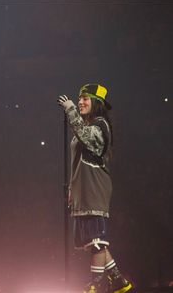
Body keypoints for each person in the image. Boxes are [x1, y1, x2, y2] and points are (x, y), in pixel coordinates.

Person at [57, 84, 132, 293]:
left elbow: (88, 139)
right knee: (92, 242)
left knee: (97, 241)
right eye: (79, 99)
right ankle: (118, 281)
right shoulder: (88, 124)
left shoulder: (101, 125)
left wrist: (71, 110)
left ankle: (97, 285)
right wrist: (72, 189)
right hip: (82, 191)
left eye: (85, 99)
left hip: (94, 189)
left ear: (97, 103)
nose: (80, 102)